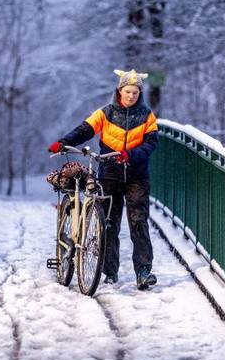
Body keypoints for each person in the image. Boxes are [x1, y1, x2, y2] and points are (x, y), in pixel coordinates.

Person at [48, 69, 158, 290]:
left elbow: (151, 144)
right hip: (109, 174)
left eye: (135, 92)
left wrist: (131, 155)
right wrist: (63, 142)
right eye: (128, 91)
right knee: (109, 223)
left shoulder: (147, 116)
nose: (131, 96)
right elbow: (84, 130)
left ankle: (143, 271)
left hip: (137, 175)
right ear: (119, 90)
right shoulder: (105, 113)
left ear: (140, 93)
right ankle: (109, 272)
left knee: (138, 222)